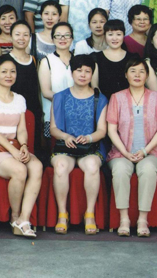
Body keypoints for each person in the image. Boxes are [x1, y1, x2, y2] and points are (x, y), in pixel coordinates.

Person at [0, 55, 43, 238]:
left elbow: (21, 129)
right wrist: (14, 151)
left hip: (14, 148)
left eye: (12, 71)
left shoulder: (19, 99)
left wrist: (23, 146)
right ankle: (14, 217)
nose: (9, 75)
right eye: (4, 71)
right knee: (20, 170)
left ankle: (24, 219)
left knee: (37, 166)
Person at [106, 58, 157, 238]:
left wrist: (145, 151)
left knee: (147, 169)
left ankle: (143, 219)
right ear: (126, 74)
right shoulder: (117, 97)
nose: (137, 75)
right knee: (120, 169)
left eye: (142, 71)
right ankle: (124, 219)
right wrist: (125, 153)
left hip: (151, 152)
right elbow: (111, 130)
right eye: (133, 71)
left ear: (147, 75)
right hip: (121, 152)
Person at [49, 54, 107, 236]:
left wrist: (89, 138)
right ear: (72, 72)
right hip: (65, 148)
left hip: (90, 148)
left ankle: (89, 214)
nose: (83, 74)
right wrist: (66, 136)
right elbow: (53, 128)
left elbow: (102, 130)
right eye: (79, 70)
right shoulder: (60, 97)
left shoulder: (100, 99)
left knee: (92, 166)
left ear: (92, 74)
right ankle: (62, 214)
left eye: (87, 71)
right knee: (60, 166)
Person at [8, 21, 43, 149]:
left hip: (33, 110)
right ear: (11, 36)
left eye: (25, 35)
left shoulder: (34, 60)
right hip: (12, 111)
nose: (21, 38)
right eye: (17, 34)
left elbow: (37, 88)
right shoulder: (5, 60)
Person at [38, 22, 75, 140]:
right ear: (53, 39)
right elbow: (46, 92)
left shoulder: (78, 60)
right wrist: (71, 101)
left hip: (76, 114)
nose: (62, 38)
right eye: (58, 35)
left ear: (72, 38)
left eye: (67, 35)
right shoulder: (46, 61)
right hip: (53, 116)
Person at [92, 19, 142, 99]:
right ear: (104, 35)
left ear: (123, 35)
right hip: (105, 103)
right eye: (110, 34)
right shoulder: (96, 57)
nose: (114, 38)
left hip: (128, 102)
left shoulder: (133, 58)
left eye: (118, 34)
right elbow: (95, 86)